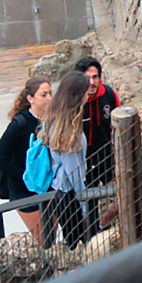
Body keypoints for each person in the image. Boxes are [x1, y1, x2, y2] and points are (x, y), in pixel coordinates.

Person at [0, 76, 52, 243]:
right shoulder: (20, 124)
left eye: (50, 93)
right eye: (43, 95)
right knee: (44, 239)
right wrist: (24, 175)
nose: (49, 98)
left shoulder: (52, 120)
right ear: (30, 99)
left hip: (48, 186)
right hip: (24, 191)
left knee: (52, 235)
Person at [39, 71, 93, 250]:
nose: (88, 96)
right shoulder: (69, 131)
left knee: (73, 240)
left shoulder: (54, 119)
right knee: (79, 243)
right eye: (86, 93)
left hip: (58, 190)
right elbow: (74, 172)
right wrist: (84, 204)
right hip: (69, 194)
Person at [74, 57, 124, 236]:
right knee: (87, 207)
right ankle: (90, 237)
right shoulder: (73, 102)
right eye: (87, 78)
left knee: (123, 197)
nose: (91, 82)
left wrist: (137, 153)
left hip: (107, 158)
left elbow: (122, 128)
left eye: (95, 77)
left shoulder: (109, 95)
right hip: (82, 164)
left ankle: (103, 224)